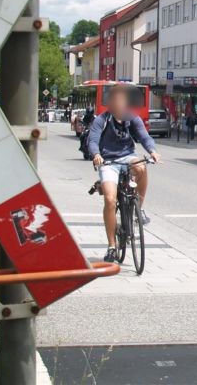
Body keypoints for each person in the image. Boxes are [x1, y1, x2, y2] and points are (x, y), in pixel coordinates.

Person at [87, 84, 161, 263]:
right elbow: (93, 140)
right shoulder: (102, 120)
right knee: (110, 199)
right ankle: (112, 246)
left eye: (123, 100)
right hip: (108, 162)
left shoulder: (133, 119)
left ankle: (139, 208)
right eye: (116, 100)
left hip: (127, 158)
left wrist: (152, 151)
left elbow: (144, 136)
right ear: (110, 102)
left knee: (141, 166)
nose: (120, 104)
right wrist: (96, 154)